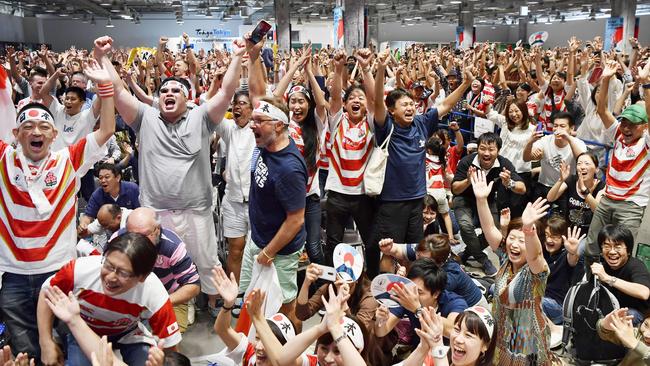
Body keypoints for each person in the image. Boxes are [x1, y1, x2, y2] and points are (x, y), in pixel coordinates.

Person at [96, 34, 246, 312]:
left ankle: (213, 303)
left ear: (187, 98)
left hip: (196, 210)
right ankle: (155, 304)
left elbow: (226, 93)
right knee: (152, 260)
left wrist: (237, 57)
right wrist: (102, 57)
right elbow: (117, 91)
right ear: (157, 99)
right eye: (164, 91)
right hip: (157, 212)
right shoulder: (145, 117)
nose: (169, 94)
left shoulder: (202, 117)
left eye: (176, 91)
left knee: (206, 259)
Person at [0, 58, 115, 361]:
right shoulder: (3, 160)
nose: (35, 131)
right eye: (27, 126)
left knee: (61, 347)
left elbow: (106, 129)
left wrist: (105, 87)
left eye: (43, 126)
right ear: (16, 134)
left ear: (53, 134)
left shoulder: (69, 159)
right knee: (25, 351)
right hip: (12, 274)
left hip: (58, 271)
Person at [372, 50, 473, 268]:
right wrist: (380, 69)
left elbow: (445, 105)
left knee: (414, 250)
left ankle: (411, 287)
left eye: (412, 104)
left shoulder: (421, 123)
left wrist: (465, 84)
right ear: (391, 110)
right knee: (390, 251)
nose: (410, 108)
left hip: (417, 199)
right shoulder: (386, 127)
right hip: (392, 202)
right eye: (404, 105)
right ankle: (384, 293)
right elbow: (377, 103)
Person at [37, 233, 182, 365]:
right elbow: (47, 292)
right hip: (83, 328)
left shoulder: (154, 292)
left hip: (128, 334)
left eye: (123, 273)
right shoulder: (79, 270)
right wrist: (45, 342)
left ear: (142, 277)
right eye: (108, 265)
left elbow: (171, 349)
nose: (111, 277)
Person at [471, 170, 559, 364]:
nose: (514, 244)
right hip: (502, 330)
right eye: (512, 238)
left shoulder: (536, 271)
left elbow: (535, 254)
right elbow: (489, 230)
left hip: (526, 339)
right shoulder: (505, 259)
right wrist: (481, 200)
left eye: (521, 241)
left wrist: (528, 230)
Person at [235, 90, 307, 325]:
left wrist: (269, 252)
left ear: (278, 126)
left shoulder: (289, 169)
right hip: (257, 240)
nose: (251, 125)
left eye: (258, 121)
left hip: (280, 252)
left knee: (284, 310)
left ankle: (294, 357)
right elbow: (258, 90)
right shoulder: (265, 144)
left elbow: (296, 220)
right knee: (250, 299)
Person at [585, 60, 650, 266]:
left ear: (644, 127)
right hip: (607, 201)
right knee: (592, 248)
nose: (626, 128)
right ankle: (590, 286)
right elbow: (603, 110)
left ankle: (618, 292)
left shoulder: (647, 142)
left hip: (631, 206)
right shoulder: (617, 135)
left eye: (632, 125)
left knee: (622, 255)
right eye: (624, 123)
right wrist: (605, 79)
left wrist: (645, 85)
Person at [322, 49, 378, 273]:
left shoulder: (372, 124)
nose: (356, 101)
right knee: (333, 243)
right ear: (345, 106)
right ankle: (331, 284)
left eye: (360, 99)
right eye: (352, 99)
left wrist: (365, 67)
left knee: (371, 242)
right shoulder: (337, 121)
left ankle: (372, 280)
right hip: (337, 194)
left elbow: (375, 99)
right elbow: (335, 96)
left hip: (364, 195)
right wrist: (338, 69)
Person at [452, 132, 526, 276]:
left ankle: (466, 254)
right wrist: (468, 180)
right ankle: (483, 259)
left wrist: (509, 183)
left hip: (487, 201)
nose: (486, 153)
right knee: (466, 226)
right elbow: (455, 189)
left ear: (498, 151)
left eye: (491, 149)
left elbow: (522, 188)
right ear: (477, 148)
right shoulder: (467, 161)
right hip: (464, 199)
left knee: (493, 232)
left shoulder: (504, 164)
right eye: (482, 148)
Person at [42, 285, 167, 366]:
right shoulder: (81, 270)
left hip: (127, 332)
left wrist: (74, 320)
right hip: (86, 326)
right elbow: (47, 288)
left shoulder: (149, 289)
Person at [123, 207, 201, 333]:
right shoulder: (118, 241)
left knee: (170, 337)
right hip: (133, 294)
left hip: (168, 295)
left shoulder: (173, 247)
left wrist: (162, 303)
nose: (137, 241)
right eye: (132, 235)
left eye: (144, 235)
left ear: (157, 230)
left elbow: (193, 285)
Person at [213, 89, 255, 288]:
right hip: (233, 201)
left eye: (243, 103)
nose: (237, 107)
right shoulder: (229, 129)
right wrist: (220, 87)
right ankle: (236, 294)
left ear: (253, 108)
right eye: (235, 103)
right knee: (235, 249)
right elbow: (212, 111)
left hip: (257, 202)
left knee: (257, 251)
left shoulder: (259, 127)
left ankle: (255, 294)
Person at [379, 235, 486, 308]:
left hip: (472, 308)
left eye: (423, 259)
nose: (418, 259)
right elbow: (396, 249)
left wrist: (401, 279)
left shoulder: (450, 275)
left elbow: (419, 299)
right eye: (417, 255)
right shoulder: (425, 250)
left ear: (439, 263)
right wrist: (388, 248)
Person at [374, 258, 468, 340]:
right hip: (418, 351)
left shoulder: (456, 302)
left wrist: (417, 309)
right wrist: (380, 319)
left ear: (436, 293)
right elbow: (381, 332)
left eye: (419, 292)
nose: (413, 295)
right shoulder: (407, 297)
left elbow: (452, 331)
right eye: (410, 287)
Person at [590, 225, 650, 325]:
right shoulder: (602, 267)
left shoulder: (635, 265)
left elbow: (644, 293)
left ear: (628, 250)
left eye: (618, 246)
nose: (612, 251)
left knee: (628, 314)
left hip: (637, 315)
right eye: (607, 246)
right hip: (611, 311)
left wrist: (608, 279)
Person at [523, 111, 587, 203]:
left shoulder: (578, 143)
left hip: (565, 187)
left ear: (572, 128)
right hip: (544, 185)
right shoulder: (545, 140)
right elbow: (526, 158)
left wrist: (568, 138)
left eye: (562, 126)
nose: (558, 129)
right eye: (555, 126)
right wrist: (530, 143)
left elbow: (581, 159)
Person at [408, 306, 497, 366]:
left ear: (485, 345)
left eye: (468, 335)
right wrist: (423, 348)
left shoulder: (439, 353)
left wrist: (437, 346)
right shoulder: (441, 354)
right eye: (457, 330)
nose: (458, 339)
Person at [296, 265, 376, 330]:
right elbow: (302, 314)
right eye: (340, 271)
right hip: (332, 337)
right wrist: (306, 283)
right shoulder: (329, 288)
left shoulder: (369, 296)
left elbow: (356, 331)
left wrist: (343, 300)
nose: (342, 277)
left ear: (357, 278)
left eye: (349, 273)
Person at [546, 152, 605, 234]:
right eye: (579, 164)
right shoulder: (572, 180)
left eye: (587, 163)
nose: (582, 167)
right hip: (568, 230)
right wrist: (561, 180)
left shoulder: (601, 186)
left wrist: (584, 190)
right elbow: (550, 198)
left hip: (589, 233)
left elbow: (597, 210)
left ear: (596, 169)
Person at [78, 163, 140, 237]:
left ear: (117, 178)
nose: (103, 180)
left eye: (107, 177)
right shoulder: (97, 194)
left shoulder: (132, 189)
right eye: (100, 178)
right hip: (109, 234)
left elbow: (141, 212)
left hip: (134, 231)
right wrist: (83, 225)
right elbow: (88, 216)